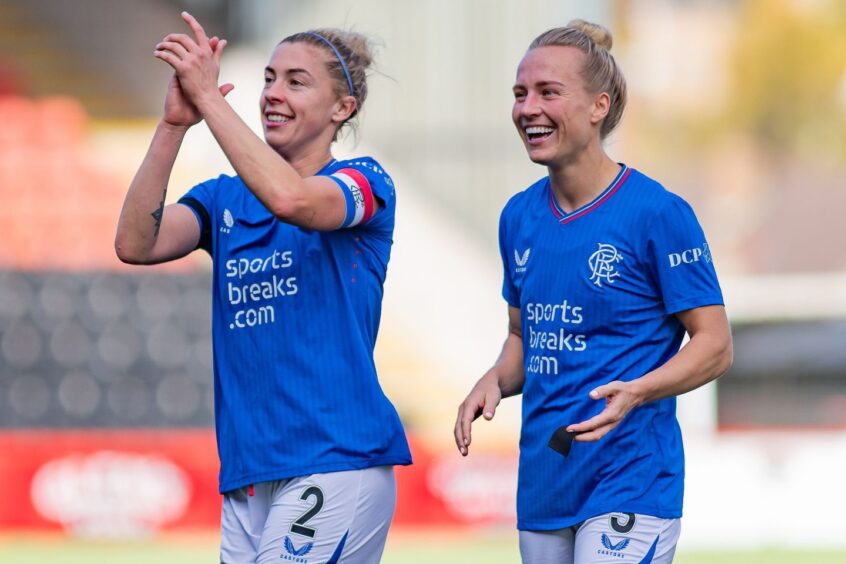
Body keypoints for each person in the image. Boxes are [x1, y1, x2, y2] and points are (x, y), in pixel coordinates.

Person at [115, 12, 411, 563]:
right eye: (269, 78)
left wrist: (211, 100)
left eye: (297, 82)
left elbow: (292, 200)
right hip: (251, 471)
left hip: (334, 459)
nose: (274, 93)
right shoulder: (222, 198)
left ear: (342, 108)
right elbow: (136, 243)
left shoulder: (365, 182)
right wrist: (174, 126)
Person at [454, 20, 732, 564]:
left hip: (630, 478)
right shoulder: (519, 216)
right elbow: (521, 335)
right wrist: (493, 379)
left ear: (598, 106)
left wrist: (639, 390)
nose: (527, 108)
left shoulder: (657, 213)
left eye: (547, 93)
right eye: (520, 94)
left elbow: (715, 343)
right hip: (544, 481)